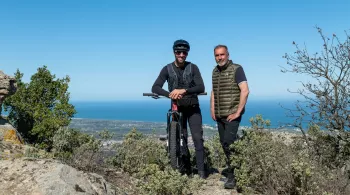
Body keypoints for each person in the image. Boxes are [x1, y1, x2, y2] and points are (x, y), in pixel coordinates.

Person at [151, 39, 206, 179]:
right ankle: (185, 169)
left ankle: (201, 172)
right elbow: (155, 87)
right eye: (178, 52)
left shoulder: (193, 68)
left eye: (184, 52)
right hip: (177, 108)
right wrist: (170, 94)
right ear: (174, 52)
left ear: (187, 53)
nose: (181, 55)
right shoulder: (167, 69)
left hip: (193, 107)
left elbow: (201, 87)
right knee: (181, 139)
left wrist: (183, 90)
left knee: (197, 138)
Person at [210, 45, 249, 189]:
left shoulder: (237, 69)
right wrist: (212, 108)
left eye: (222, 55)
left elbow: (245, 91)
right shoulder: (215, 71)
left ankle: (233, 177)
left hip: (232, 114)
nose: (219, 58)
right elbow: (214, 91)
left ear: (227, 55)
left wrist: (238, 112)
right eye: (217, 55)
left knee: (228, 143)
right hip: (220, 114)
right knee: (224, 143)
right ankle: (236, 170)